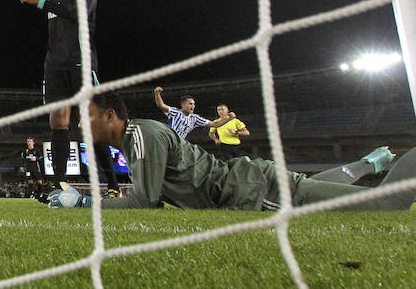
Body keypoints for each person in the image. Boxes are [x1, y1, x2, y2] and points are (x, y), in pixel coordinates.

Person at [48, 90, 415, 211]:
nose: (80, 124)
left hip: (249, 192)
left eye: (88, 115)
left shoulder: (142, 133)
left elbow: (144, 199)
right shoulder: (137, 138)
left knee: (388, 204)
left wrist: (84, 204)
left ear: (111, 116)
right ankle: (367, 163)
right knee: (307, 188)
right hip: (251, 181)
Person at [19, 0, 117, 194]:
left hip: (80, 62)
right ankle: (59, 186)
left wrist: (40, 2)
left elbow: (77, 13)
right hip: (54, 66)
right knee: (58, 121)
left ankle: (114, 185)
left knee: (90, 123)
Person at [153, 86, 234, 139]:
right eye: (190, 104)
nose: (193, 106)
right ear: (183, 105)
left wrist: (229, 119)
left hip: (180, 144)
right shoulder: (175, 113)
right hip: (168, 140)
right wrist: (157, 94)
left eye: (194, 104)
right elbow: (161, 105)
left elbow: (215, 124)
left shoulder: (195, 118)